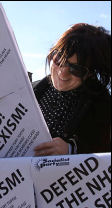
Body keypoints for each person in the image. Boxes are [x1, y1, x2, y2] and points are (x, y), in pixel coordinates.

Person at [33, 23, 111, 156]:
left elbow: (102, 148)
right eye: (59, 59)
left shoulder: (102, 104)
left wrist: (70, 149)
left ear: (90, 74)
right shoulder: (34, 88)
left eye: (76, 69)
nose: (62, 73)